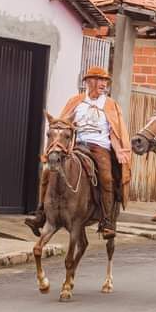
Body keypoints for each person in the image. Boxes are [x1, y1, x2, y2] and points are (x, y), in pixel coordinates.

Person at [26, 66, 131, 235]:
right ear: (89, 82)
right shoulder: (76, 101)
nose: (103, 84)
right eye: (99, 80)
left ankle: (107, 222)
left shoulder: (111, 105)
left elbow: (114, 130)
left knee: (106, 178)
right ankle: (41, 214)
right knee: (48, 172)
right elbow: (62, 124)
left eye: (105, 80)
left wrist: (119, 150)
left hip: (99, 147)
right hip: (75, 146)